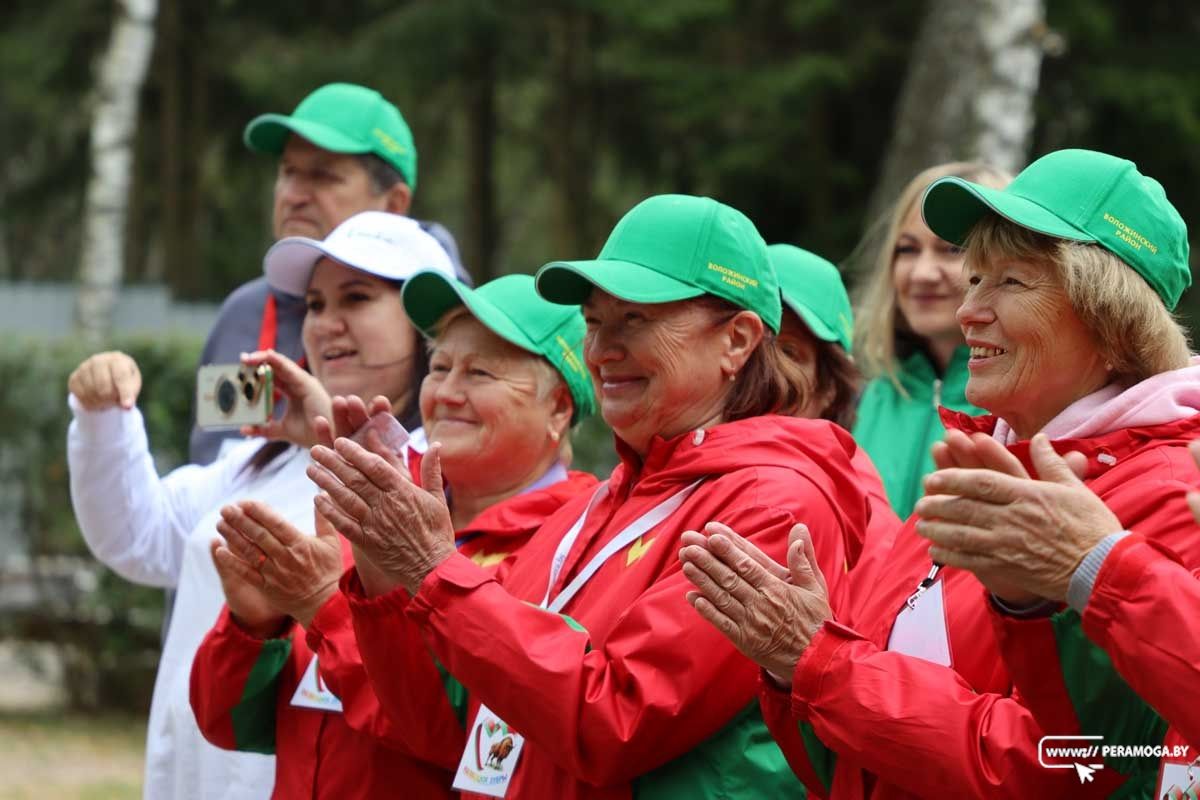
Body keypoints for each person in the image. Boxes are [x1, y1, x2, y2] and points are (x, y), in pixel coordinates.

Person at [308, 194, 889, 798]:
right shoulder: (600, 505)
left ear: (737, 341)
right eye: (593, 322)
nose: (602, 349)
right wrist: (381, 561)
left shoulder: (772, 504)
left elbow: (614, 720)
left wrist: (432, 570)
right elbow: (446, 730)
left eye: (635, 319)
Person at [681, 148, 1200, 798]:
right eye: (975, 278)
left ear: (1112, 316)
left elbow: (1063, 766)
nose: (968, 309)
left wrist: (820, 665)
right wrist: (797, 670)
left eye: (1011, 281)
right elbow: (851, 769)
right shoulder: (980, 463)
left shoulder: (1170, 493)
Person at [67, 211, 455, 800]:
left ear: (425, 328)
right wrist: (105, 420)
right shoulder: (263, 456)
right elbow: (138, 537)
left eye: (357, 298)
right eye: (315, 304)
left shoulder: (438, 469)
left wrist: (340, 437)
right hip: (190, 774)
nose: (326, 324)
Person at [189, 271, 600, 797]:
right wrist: (254, 628)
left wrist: (323, 608)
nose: (446, 393)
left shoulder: (571, 548)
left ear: (559, 407)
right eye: (440, 367)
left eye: (479, 373)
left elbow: (465, 743)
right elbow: (228, 725)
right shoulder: (379, 511)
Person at [191, 81, 467, 466]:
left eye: (323, 176)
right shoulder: (245, 313)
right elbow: (210, 465)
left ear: (394, 204)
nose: (293, 195)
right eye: (288, 172)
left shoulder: (451, 321)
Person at [913, 431, 1200, 790]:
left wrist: (1102, 569)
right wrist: (1032, 606)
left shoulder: (1171, 484)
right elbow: (1122, 742)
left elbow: (1062, 765)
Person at [851, 162, 1010, 518]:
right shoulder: (859, 401)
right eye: (907, 249)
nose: (922, 273)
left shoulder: (1028, 407)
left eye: (952, 250)